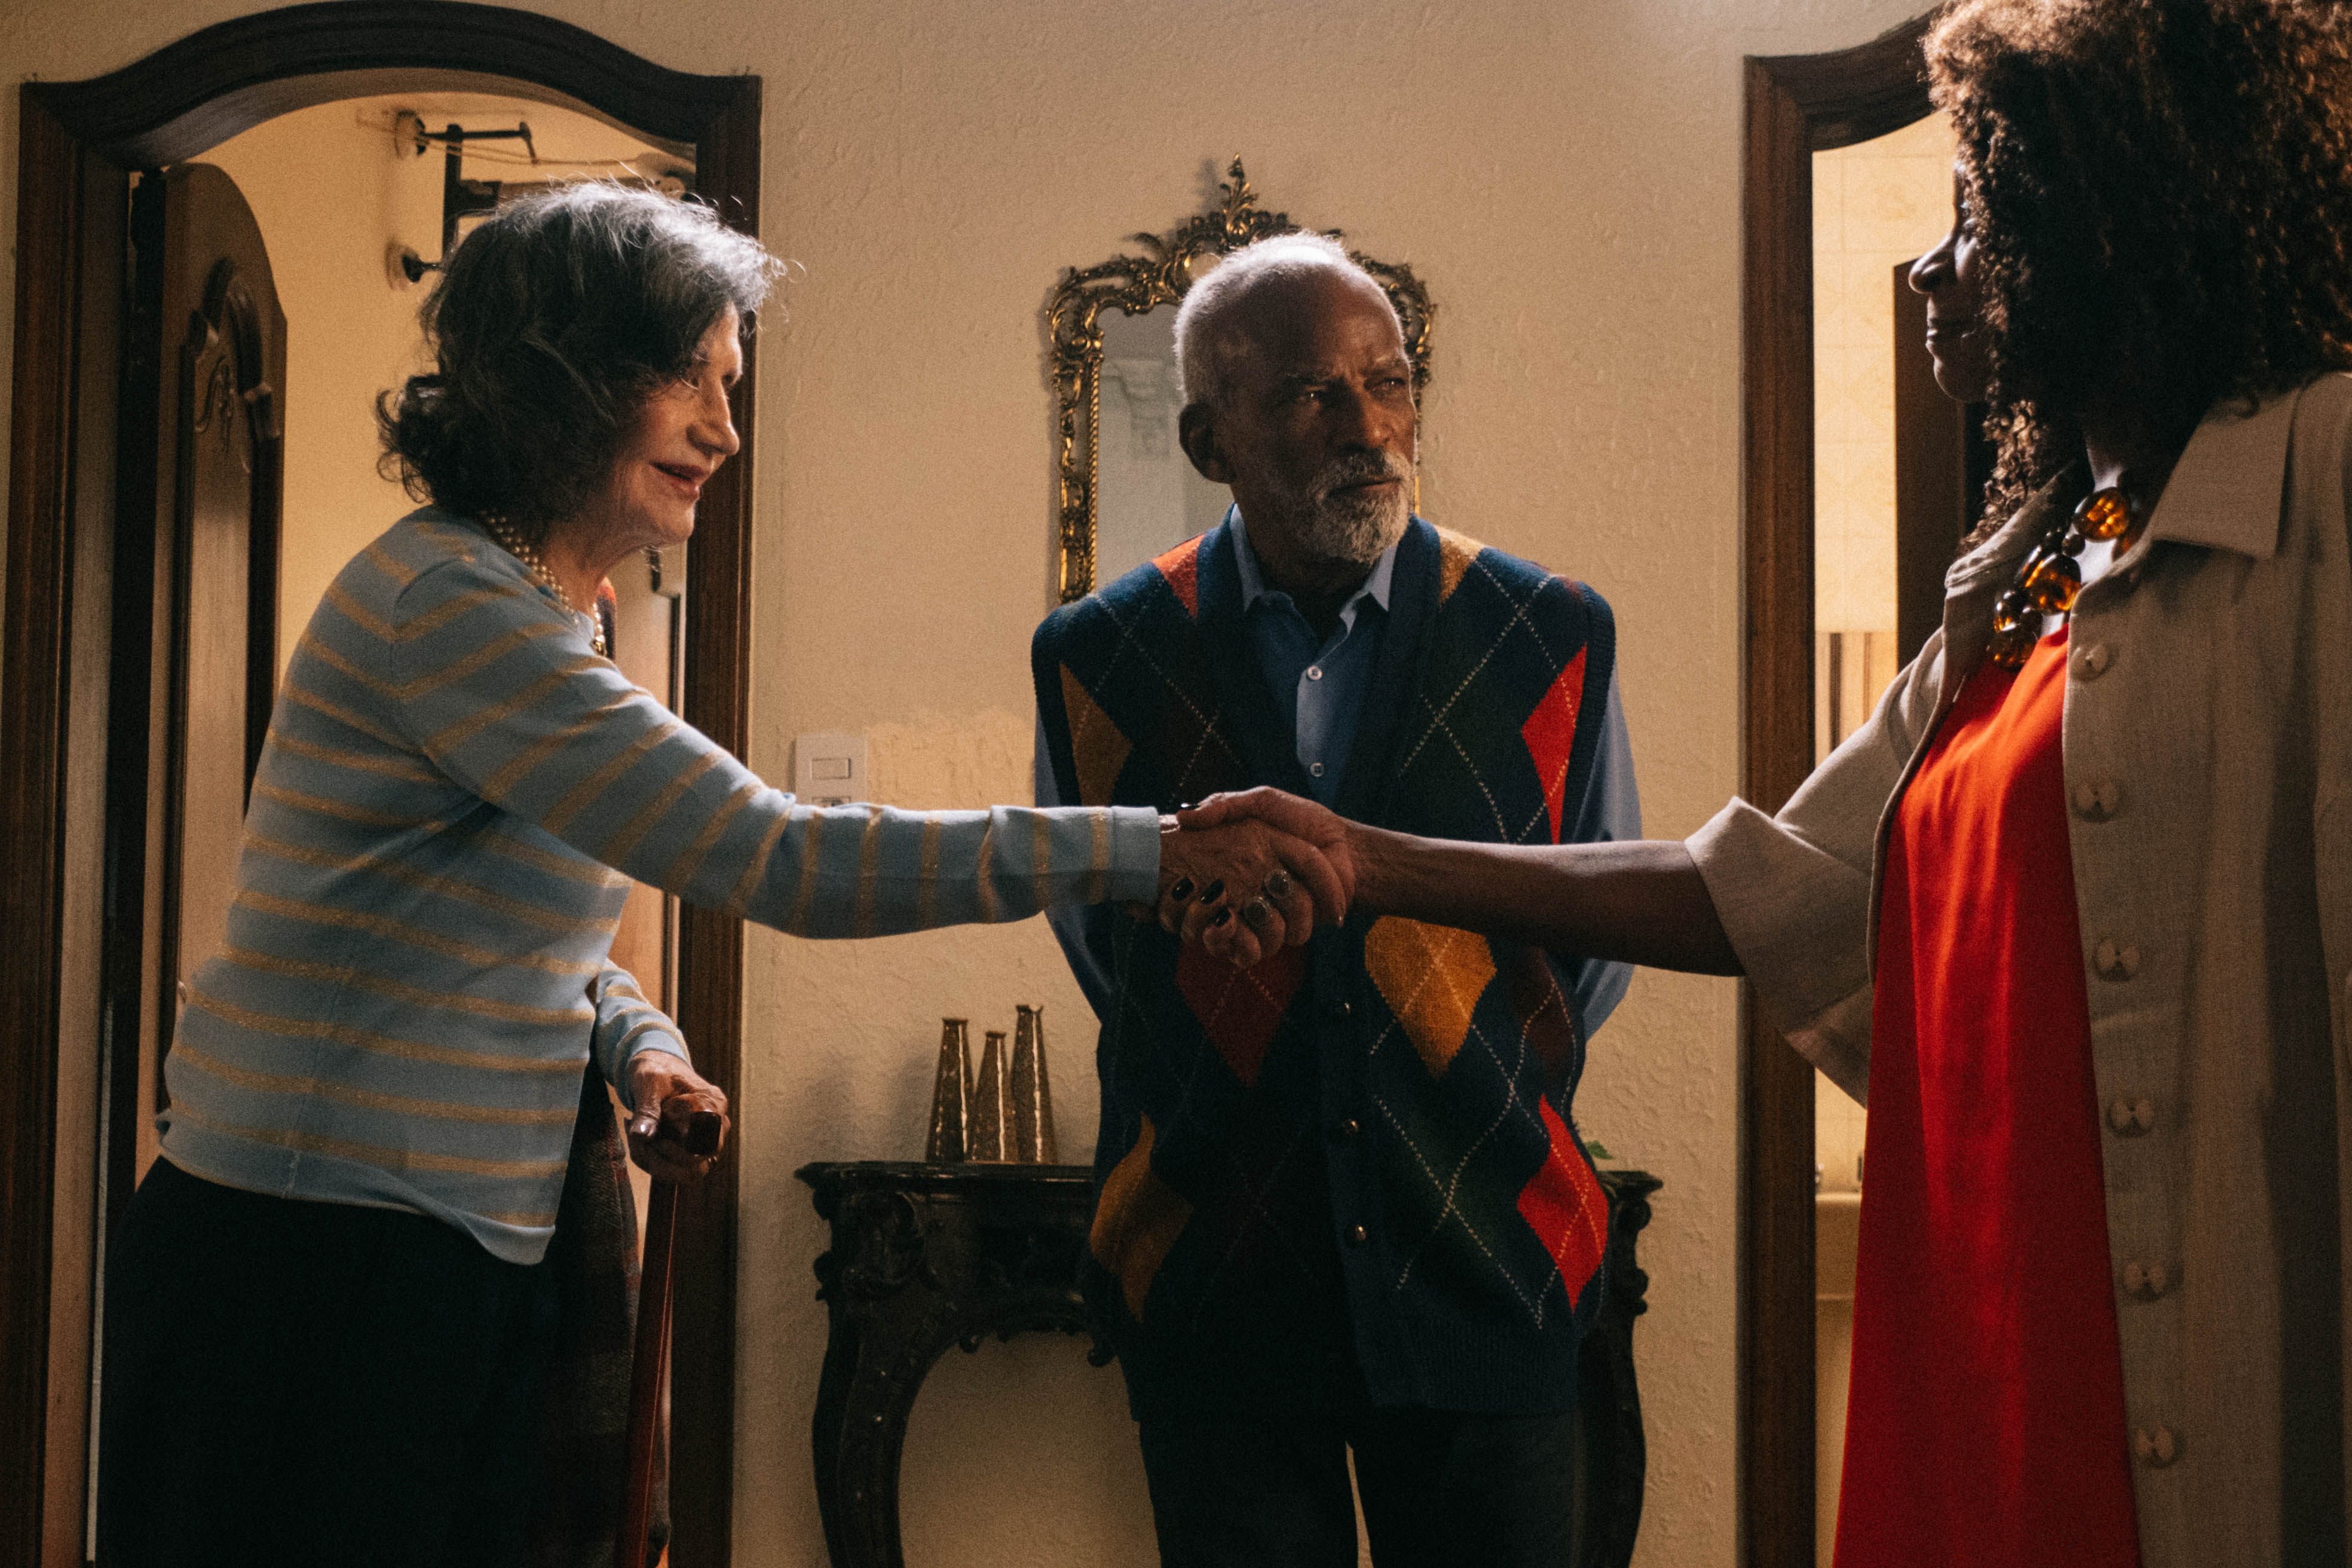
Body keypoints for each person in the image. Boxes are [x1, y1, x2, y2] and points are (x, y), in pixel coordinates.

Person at [1177, 3, 2352, 1565]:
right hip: (1999, 1326)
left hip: (2206, 1362)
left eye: (1978, 223)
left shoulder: (2326, 476)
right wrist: (1363, 858)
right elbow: (1761, 888)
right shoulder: (2037, 569)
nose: (1933, 270)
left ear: (2112, 232)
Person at [95, 184, 1343, 1568]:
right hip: (306, 1259)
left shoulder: (561, 611)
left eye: (729, 384)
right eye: (689, 378)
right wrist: (1151, 847)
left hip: (433, 1251)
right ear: (567, 379)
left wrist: (644, 1050)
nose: (724, 428)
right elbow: (779, 855)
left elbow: (540, 945)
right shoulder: (450, 606)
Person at [1031, 232, 1642, 1567]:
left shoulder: (1549, 633)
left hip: (1486, 1264)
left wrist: (1466, 1060)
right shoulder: (1098, 654)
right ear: (1209, 440)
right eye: (1313, 393)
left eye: (1389, 382)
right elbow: (1105, 941)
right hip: (1214, 1281)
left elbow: (1594, 925)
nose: (1368, 428)